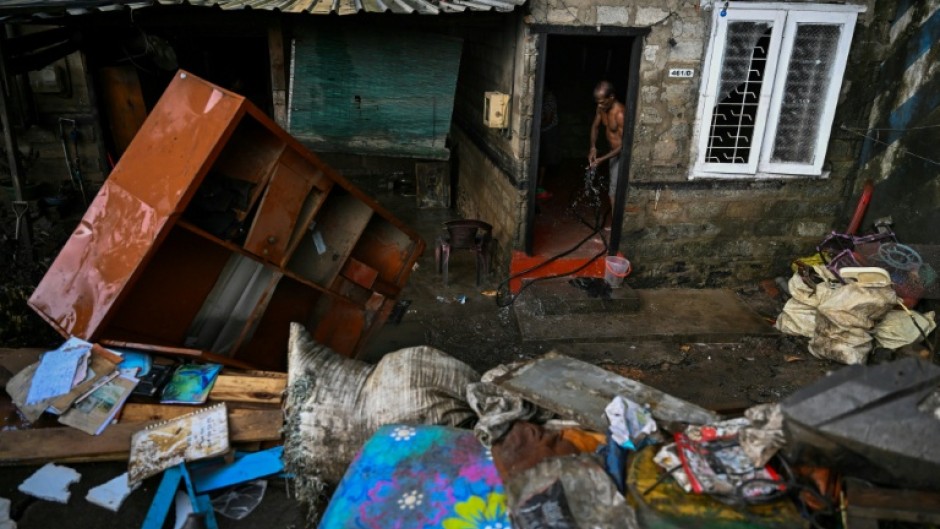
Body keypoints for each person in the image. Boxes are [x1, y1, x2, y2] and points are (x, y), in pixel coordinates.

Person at [588, 81, 625, 213]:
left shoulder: (620, 114)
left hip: (623, 154)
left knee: (615, 191)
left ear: (611, 97)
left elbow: (624, 145)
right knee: (613, 190)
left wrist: (601, 159)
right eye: (598, 102)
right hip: (612, 153)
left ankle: (617, 223)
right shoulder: (601, 108)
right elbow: (595, 127)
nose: (599, 105)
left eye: (602, 102)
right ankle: (616, 221)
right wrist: (593, 147)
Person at [537, 88, 560, 200]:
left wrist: (536, 127)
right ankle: (538, 186)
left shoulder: (549, 98)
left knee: (544, 158)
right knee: (542, 158)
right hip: (542, 130)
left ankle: (539, 186)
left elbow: (548, 119)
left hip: (547, 130)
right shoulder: (540, 97)